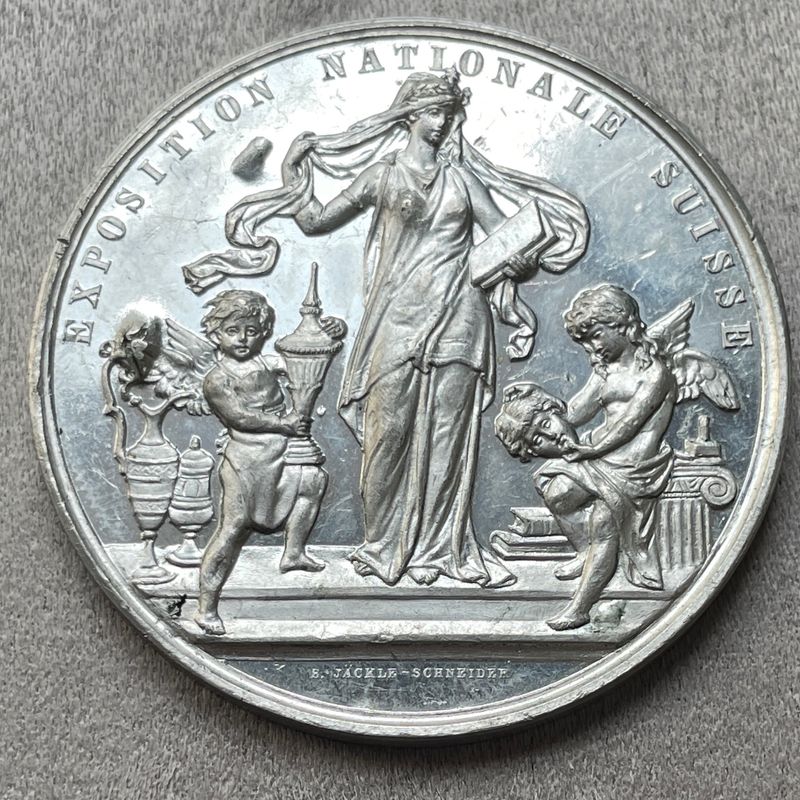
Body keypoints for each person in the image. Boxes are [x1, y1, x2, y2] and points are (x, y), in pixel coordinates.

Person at [218, 70, 589, 587]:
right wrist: (292, 173)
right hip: (397, 316)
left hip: (461, 314)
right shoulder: (383, 175)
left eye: (449, 114)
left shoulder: (463, 180)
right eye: (434, 112)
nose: (443, 123)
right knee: (386, 433)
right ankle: (381, 546)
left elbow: (503, 236)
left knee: (448, 437)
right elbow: (317, 220)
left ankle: (440, 552)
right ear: (409, 115)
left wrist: (520, 254)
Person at [193, 290, 343, 635]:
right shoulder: (217, 378)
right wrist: (283, 423)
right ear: (215, 333)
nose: (242, 339)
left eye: (251, 331)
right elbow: (239, 417)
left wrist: (332, 328)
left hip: (281, 451)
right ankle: (206, 607)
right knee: (233, 529)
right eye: (233, 331)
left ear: (263, 332)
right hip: (246, 460)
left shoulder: (268, 363)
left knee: (312, 481)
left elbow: (305, 354)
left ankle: (293, 552)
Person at [536, 285, 677, 630]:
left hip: (635, 464)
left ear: (622, 324)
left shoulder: (655, 373)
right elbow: (576, 412)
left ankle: (580, 607)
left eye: (596, 335)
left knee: (603, 521)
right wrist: (541, 408)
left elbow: (630, 424)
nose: (592, 347)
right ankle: (586, 552)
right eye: (585, 342)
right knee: (556, 493)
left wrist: (590, 451)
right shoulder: (606, 371)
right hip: (601, 453)